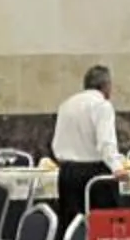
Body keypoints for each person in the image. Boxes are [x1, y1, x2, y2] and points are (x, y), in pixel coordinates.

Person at [51, 64, 125, 218]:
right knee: (103, 226)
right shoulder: (102, 106)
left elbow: (56, 143)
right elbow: (106, 141)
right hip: (95, 174)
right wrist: (117, 167)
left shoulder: (66, 105)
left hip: (68, 173)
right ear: (105, 86)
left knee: (71, 225)